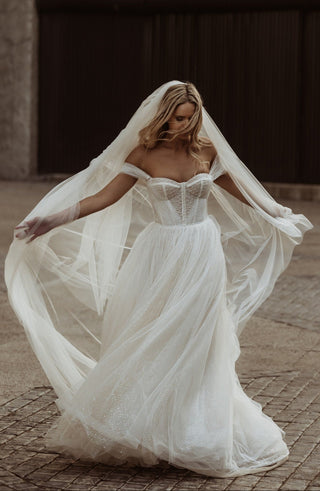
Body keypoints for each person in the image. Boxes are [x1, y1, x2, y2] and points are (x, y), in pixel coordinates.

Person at [6, 81, 312, 478]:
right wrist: (51, 219)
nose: (182, 126)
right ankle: (148, 426)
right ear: (163, 115)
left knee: (198, 337)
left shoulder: (206, 151)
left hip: (202, 253)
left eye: (188, 118)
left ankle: (194, 428)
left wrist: (278, 212)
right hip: (160, 254)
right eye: (175, 118)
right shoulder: (145, 154)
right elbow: (103, 197)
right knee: (156, 334)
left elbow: (244, 192)